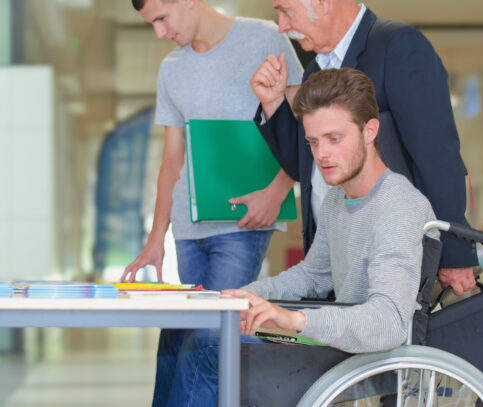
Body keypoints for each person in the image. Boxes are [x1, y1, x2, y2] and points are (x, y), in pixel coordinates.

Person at [165, 67, 437, 406]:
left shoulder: (398, 205)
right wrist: (243, 295)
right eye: (313, 141)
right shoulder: (338, 199)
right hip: (334, 344)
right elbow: (312, 275)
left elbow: (388, 322)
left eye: (334, 139)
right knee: (198, 336)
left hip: (367, 355)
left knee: (208, 345)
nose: (321, 154)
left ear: (370, 131)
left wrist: (295, 321)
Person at [117, 0, 303, 405]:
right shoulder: (172, 70)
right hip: (188, 229)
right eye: (152, 26)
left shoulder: (266, 39)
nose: (161, 33)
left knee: (210, 340)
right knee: (179, 336)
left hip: (243, 223)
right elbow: (171, 160)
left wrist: (278, 192)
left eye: (162, 19)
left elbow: (301, 127)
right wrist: (154, 238)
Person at [249, 0, 479, 297]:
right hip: (334, 262)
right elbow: (302, 167)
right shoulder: (316, 71)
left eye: (285, 11)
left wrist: (454, 252)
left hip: (391, 260)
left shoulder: (398, 47)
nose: (282, 26)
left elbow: (437, 155)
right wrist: (272, 103)